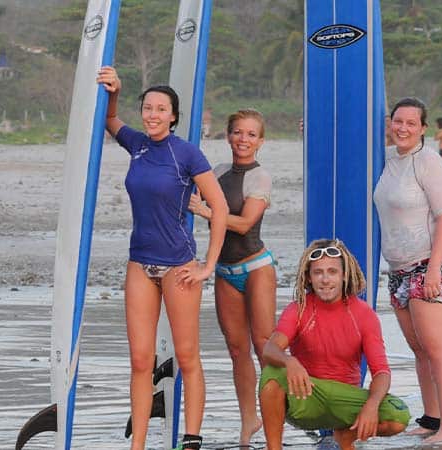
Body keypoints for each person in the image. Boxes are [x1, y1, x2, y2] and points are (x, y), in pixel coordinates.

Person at [97, 65, 228, 450]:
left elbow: (218, 207)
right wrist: (115, 92)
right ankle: (137, 443)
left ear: (173, 116)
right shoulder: (137, 144)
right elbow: (109, 120)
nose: (153, 115)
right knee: (140, 360)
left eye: (161, 109)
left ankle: (191, 438)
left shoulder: (185, 153)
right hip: (139, 263)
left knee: (187, 356)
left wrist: (208, 265)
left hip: (179, 266)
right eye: (148, 108)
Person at [258, 239, 410, 450]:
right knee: (271, 373)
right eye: (318, 272)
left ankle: (345, 437)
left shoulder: (364, 313)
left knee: (398, 414)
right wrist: (289, 361)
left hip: (344, 400)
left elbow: (382, 372)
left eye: (332, 272)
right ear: (309, 278)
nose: (325, 279)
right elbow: (270, 349)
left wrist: (371, 406)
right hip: (307, 396)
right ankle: (273, 448)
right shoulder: (298, 309)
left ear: (344, 275)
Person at [375, 97, 442, 443]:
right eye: (398, 121)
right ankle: (432, 419)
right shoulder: (386, 159)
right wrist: (314, 132)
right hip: (398, 270)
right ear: (390, 123)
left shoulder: (429, 162)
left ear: (423, 128)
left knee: (440, 349)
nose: (403, 128)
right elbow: (346, 154)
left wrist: (434, 271)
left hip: (429, 264)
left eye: (411, 123)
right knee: (421, 350)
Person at [188, 109, 276, 446]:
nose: (243, 139)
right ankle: (248, 420)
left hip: (256, 267)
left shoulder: (260, 177)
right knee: (237, 350)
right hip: (225, 270)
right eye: (238, 132)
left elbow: (243, 224)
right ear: (228, 136)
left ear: (261, 141)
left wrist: (207, 211)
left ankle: (274, 413)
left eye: (251, 134)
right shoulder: (219, 171)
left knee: (264, 347)